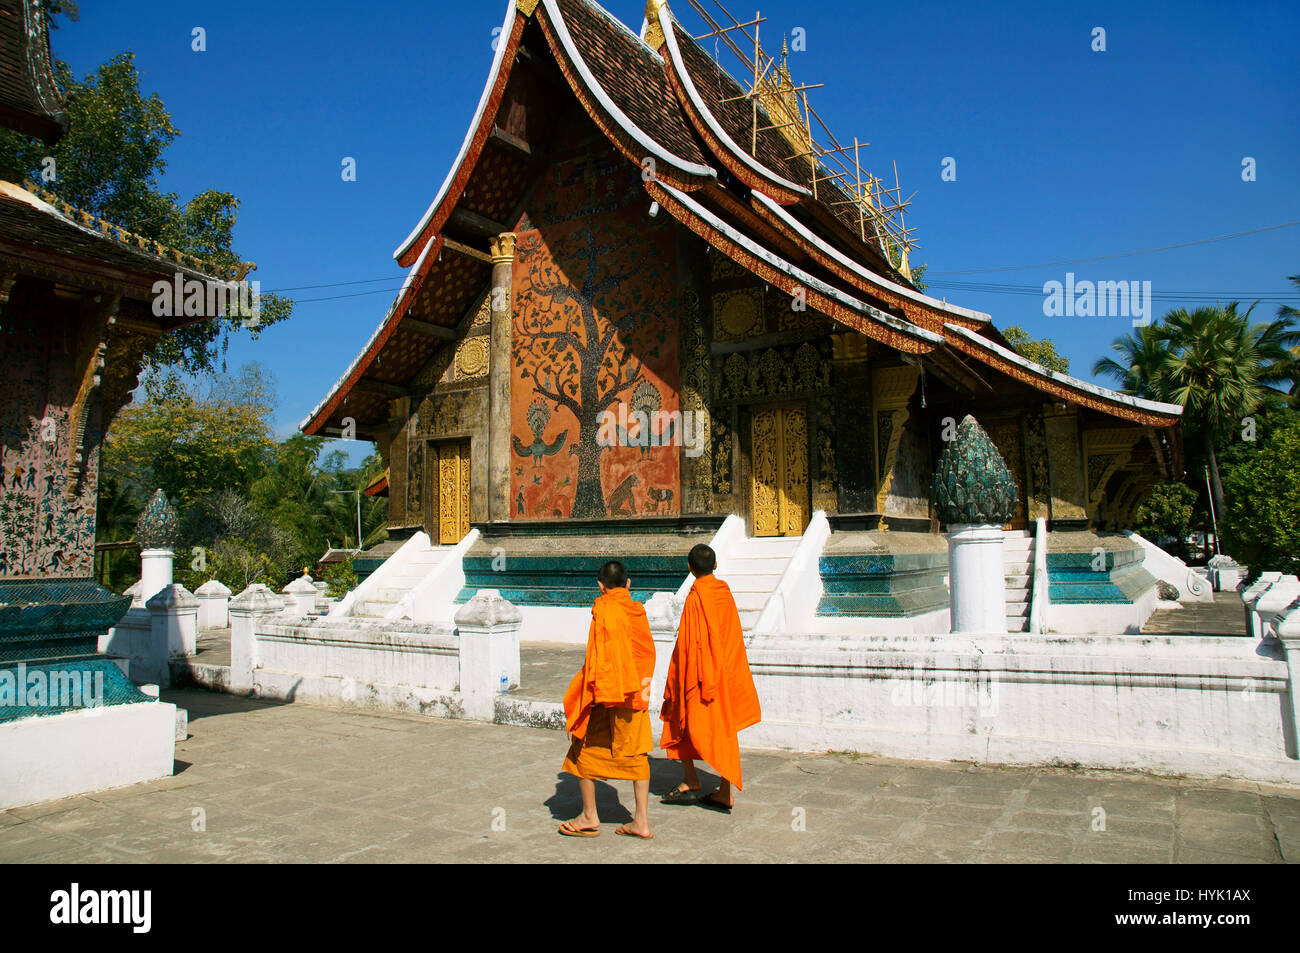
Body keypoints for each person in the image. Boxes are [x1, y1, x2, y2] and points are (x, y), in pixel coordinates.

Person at [559, 559, 656, 839]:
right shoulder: (637, 610)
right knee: (637, 754)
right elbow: (645, 653)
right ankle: (641, 821)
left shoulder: (602, 609)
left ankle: (589, 815)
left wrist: (593, 692)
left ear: (600, 586)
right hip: (635, 693)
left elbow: (598, 657)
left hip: (605, 692)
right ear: (628, 584)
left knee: (582, 748)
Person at [660, 543, 761, 811]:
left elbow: (686, 644)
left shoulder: (696, 598)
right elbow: (732, 636)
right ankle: (722, 788)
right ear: (715, 565)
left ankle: (692, 778)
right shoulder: (724, 593)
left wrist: (677, 676)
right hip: (725, 672)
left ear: (689, 568)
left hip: (700, 676)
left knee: (679, 718)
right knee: (725, 729)